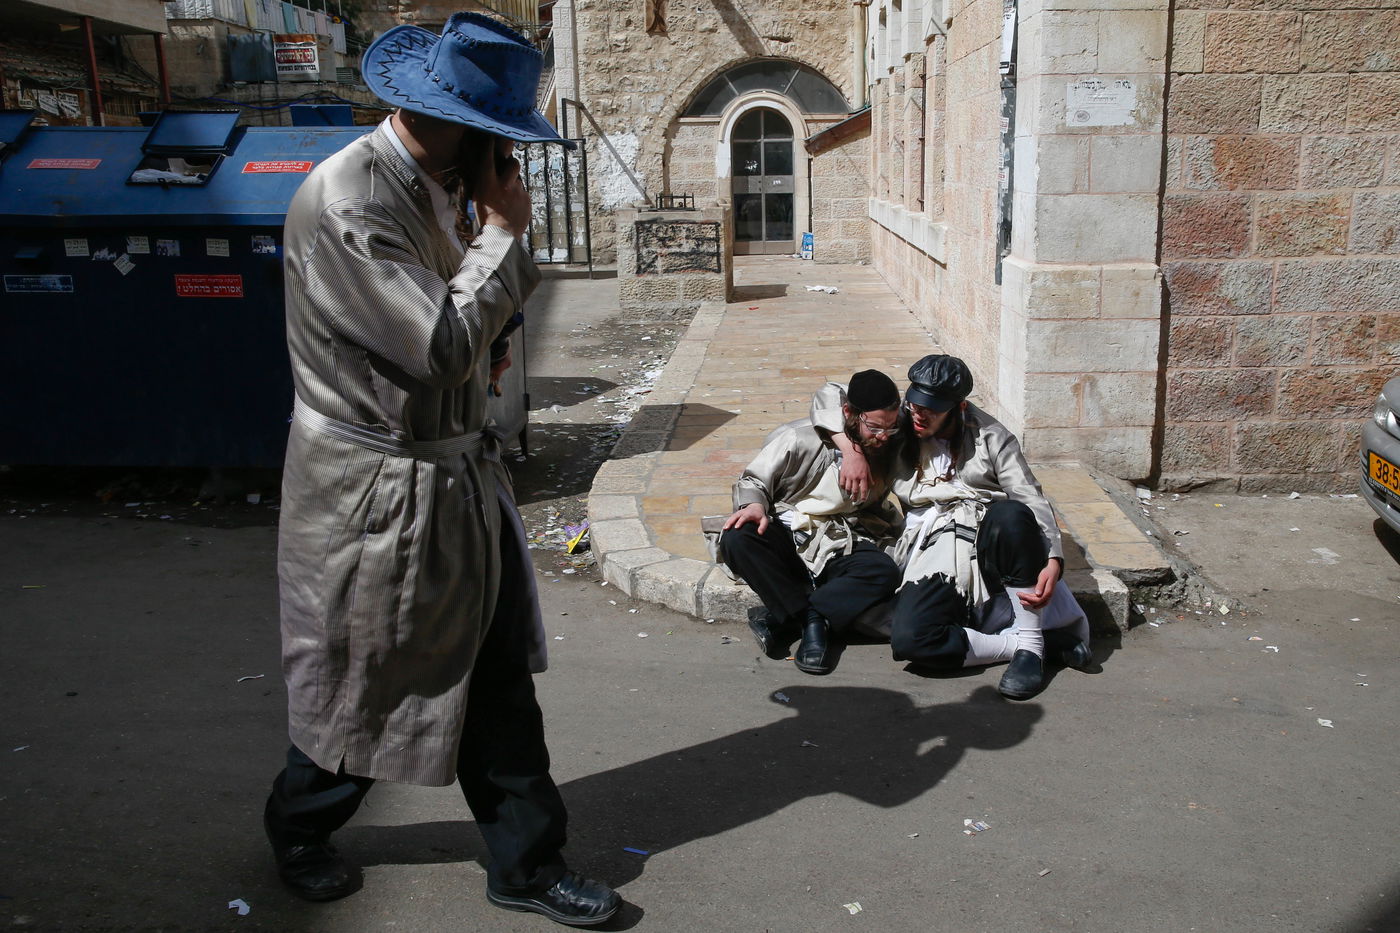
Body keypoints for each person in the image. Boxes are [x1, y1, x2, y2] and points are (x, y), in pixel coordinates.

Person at [262, 13, 620, 926]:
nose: (507, 155)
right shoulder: (350, 205)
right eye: (495, 133)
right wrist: (502, 232)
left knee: (497, 676)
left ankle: (528, 863)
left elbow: (474, 331)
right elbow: (438, 344)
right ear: (449, 118)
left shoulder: (440, 182)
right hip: (374, 496)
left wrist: (488, 264)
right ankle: (301, 827)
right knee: (365, 674)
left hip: (453, 481)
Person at [814, 355, 1092, 700]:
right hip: (931, 548)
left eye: (931, 408)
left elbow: (1030, 496)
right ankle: (1027, 644)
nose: (919, 414)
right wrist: (850, 450)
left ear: (958, 407)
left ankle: (1031, 651)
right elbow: (830, 394)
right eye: (915, 403)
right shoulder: (901, 422)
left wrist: (1053, 557)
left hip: (986, 546)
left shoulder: (992, 436)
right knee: (911, 640)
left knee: (1012, 515)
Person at [718, 370, 905, 675]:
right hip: (791, 534)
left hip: (841, 539)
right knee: (738, 537)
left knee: (881, 571)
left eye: (890, 428)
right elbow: (755, 479)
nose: (883, 437)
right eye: (874, 428)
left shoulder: (886, 442)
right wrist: (753, 505)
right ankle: (815, 621)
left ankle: (797, 618)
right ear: (849, 414)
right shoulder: (799, 438)